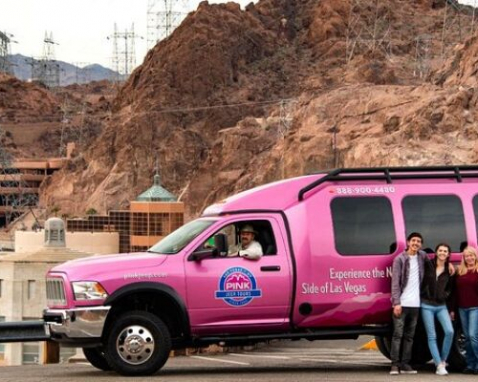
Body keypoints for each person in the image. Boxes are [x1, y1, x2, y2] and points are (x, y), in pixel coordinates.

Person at [390, 232, 427, 375]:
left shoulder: (421, 256)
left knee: (409, 336)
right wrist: (396, 303)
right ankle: (394, 365)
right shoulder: (399, 259)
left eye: (418, 241)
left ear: (421, 245)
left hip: (415, 305)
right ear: (407, 242)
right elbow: (395, 283)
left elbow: (436, 262)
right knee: (397, 335)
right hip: (402, 304)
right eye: (413, 241)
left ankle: (405, 364)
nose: (416, 243)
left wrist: (450, 267)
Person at [420, 243, 454, 376]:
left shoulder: (449, 270)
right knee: (432, 335)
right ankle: (438, 364)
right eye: (440, 250)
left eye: (445, 251)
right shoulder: (428, 264)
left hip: (441, 306)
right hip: (426, 305)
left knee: (449, 331)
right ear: (436, 252)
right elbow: (421, 253)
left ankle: (443, 360)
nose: (442, 253)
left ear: (448, 254)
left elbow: (451, 288)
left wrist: (444, 296)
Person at [453, 246, 478, 374]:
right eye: (467, 256)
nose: (469, 258)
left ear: (475, 256)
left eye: (471, 255)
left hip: (475, 308)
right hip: (462, 308)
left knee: (473, 336)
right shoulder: (460, 271)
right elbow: (455, 292)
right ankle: (471, 365)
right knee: (467, 338)